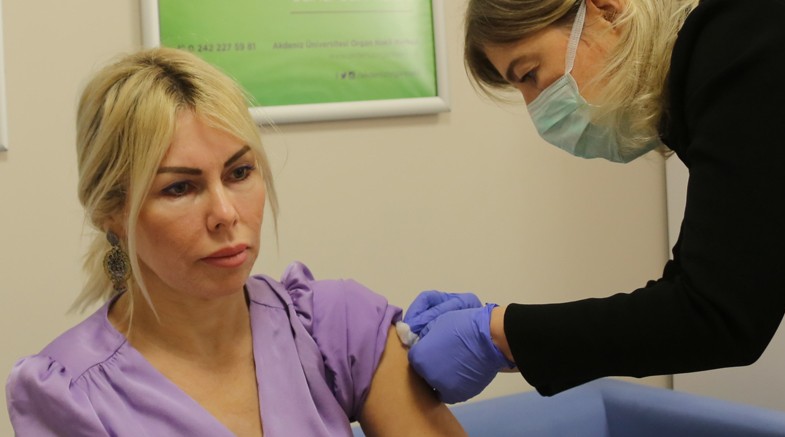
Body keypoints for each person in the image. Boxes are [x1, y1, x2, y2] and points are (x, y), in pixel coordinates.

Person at [402, 0, 785, 435]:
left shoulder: (753, 38)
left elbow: (716, 312)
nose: (538, 110)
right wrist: (504, 333)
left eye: (530, 74)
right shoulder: (731, 65)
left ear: (604, 9)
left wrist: (498, 332)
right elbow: (716, 281)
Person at [4, 47, 465, 437]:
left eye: (240, 172)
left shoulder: (334, 326)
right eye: (179, 188)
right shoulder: (72, 394)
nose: (225, 214)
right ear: (113, 213)